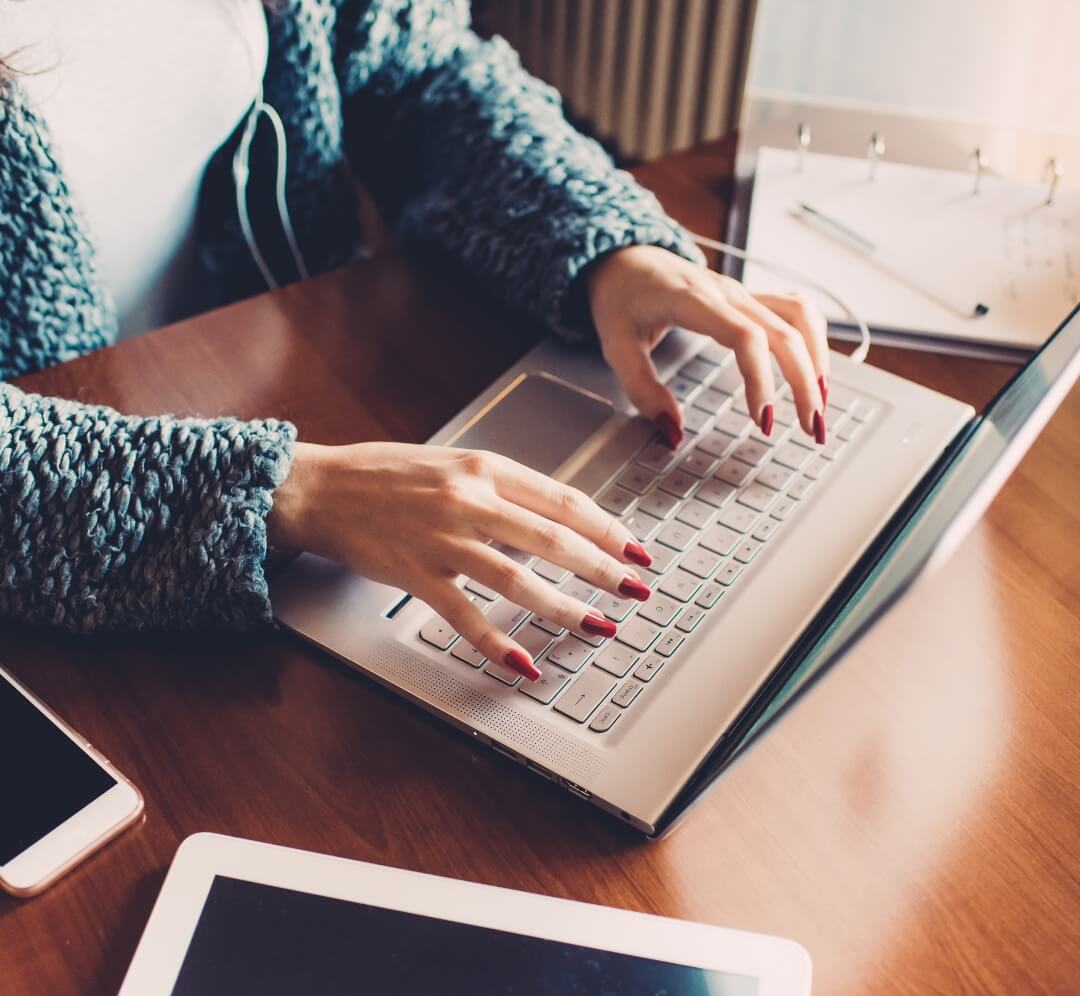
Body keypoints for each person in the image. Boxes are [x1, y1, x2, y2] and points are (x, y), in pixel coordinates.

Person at [0, 0, 829, 680]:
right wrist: (292, 493)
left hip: (303, 389)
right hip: (85, 560)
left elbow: (417, 70)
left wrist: (609, 248)